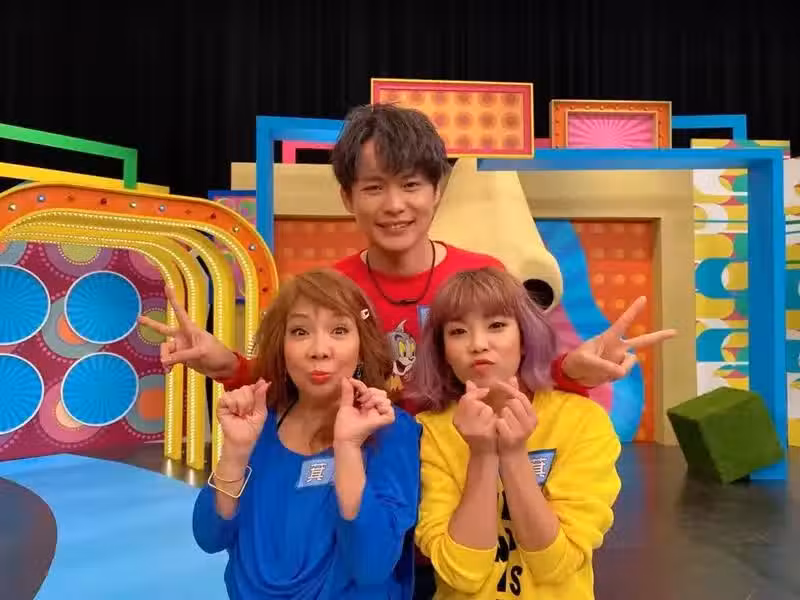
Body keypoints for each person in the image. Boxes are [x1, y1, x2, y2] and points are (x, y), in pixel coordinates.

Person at [138, 102, 673, 599]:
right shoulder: (334, 290)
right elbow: (298, 381)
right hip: (365, 505)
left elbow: (510, 369)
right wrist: (228, 365)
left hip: (463, 496)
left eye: (411, 184)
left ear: (437, 190)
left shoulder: (479, 274)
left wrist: (571, 369)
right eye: (374, 188)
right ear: (348, 197)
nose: (394, 205)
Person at [191, 268, 421, 599]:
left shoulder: (390, 429)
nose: (319, 349)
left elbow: (371, 565)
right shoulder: (260, 421)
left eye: (339, 330)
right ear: (281, 347)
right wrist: (235, 453)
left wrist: (347, 448)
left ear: (362, 345)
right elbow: (209, 537)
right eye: (300, 331)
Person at [410, 267, 621, 600]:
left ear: (525, 338)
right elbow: (461, 571)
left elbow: (555, 564)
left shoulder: (582, 420)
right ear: (443, 352)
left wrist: (513, 454)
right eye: (458, 331)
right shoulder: (428, 431)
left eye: (496, 325)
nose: (478, 344)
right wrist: (482, 455)